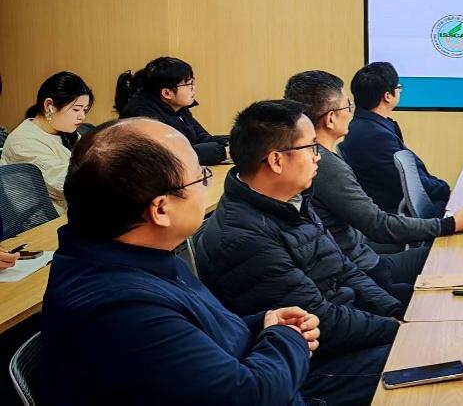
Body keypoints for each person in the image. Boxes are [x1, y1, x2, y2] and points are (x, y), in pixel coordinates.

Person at [39, 117, 326, 405]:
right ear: (161, 209)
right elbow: (249, 396)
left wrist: (263, 325)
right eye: (201, 177)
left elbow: (198, 338)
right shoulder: (121, 308)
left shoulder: (141, 254)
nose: (207, 185)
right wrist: (286, 336)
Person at [195, 99, 397, 405]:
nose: (318, 156)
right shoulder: (244, 237)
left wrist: (393, 310)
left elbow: (345, 268)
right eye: (311, 147)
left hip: (346, 328)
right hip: (314, 367)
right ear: (276, 161)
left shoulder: (290, 200)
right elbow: (321, 321)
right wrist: (398, 330)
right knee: (430, 355)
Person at [284, 71, 463, 304]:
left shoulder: (314, 160)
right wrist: (450, 224)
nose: (351, 112)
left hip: (356, 264)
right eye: (347, 106)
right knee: (455, 259)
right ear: (330, 119)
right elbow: (377, 224)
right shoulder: (325, 166)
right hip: (363, 270)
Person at [341, 62, 449, 218]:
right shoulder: (374, 136)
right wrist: (445, 188)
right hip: (399, 216)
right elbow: (411, 185)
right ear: (387, 96)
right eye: (398, 87)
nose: (400, 91)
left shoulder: (364, 125)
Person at [0, 71, 94, 214]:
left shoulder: (66, 132)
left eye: (84, 110)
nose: (82, 116)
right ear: (49, 105)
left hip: (72, 213)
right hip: (43, 221)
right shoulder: (23, 143)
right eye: (76, 109)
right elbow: (69, 185)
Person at [116, 56, 229, 165]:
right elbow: (170, 156)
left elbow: (202, 138)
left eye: (192, 82)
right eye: (188, 84)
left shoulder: (177, 107)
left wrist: (233, 144)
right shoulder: (142, 116)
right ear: (166, 93)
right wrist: (223, 152)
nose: (193, 88)